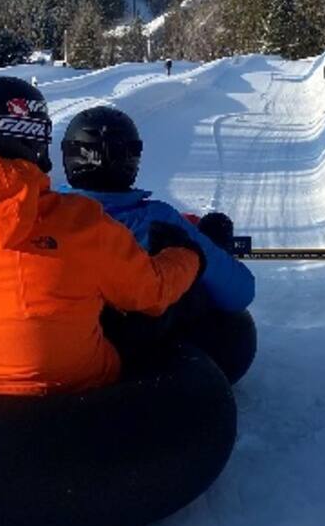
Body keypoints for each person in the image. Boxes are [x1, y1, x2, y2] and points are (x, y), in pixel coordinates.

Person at [0, 77, 204, 396]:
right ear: (35, 138)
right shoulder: (80, 220)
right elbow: (152, 292)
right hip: (72, 392)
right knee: (156, 315)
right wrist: (186, 254)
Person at [61, 105, 257, 383]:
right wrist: (207, 245)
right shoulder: (161, 221)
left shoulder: (44, 212)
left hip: (61, 352)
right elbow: (240, 292)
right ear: (132, 159)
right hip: (145, 362)